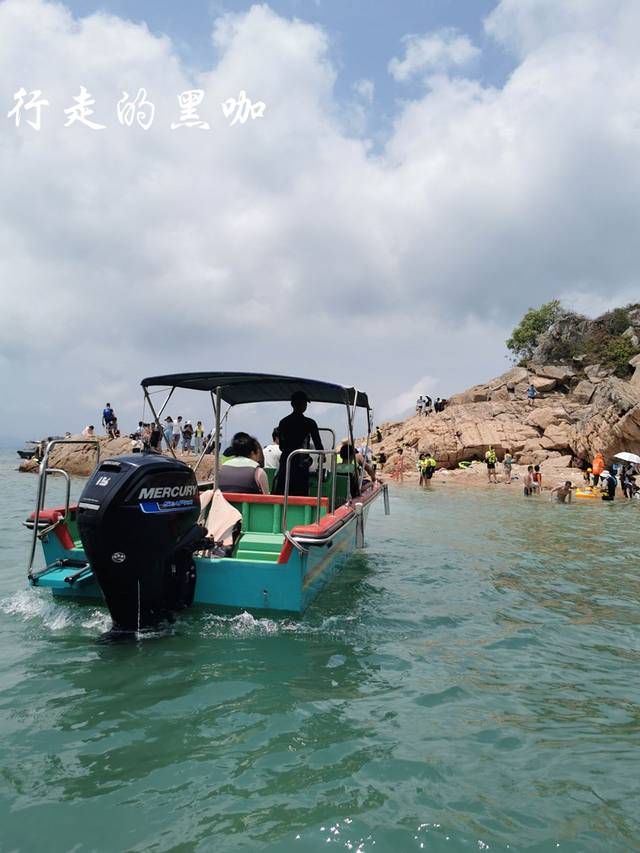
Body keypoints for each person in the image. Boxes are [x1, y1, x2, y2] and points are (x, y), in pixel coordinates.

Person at [274, 391, 323, 496]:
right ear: (305, 406)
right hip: (301, 464)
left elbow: (282, 446)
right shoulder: (310, 423)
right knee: (300, 495)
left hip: (286, 461)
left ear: (292, 404)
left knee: (282, 493)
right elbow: (318, 445)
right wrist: (322, 457)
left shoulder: (283, 422)